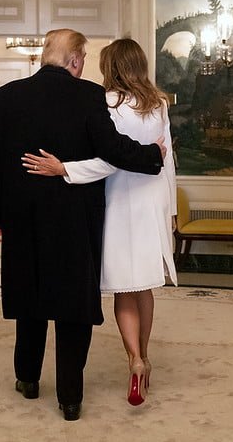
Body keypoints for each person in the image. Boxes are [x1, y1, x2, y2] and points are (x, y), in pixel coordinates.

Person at [0, 28, 166, 421]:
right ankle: (69, 398)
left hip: (23, 221)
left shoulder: (6, 96)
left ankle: (28, 379)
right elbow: (112, 151)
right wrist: (153, 154)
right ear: (76, 59)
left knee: (29, 302)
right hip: (73, 222)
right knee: (72, 310)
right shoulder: (88, 96)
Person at [22, 38, 177, 407]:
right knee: (145, 288)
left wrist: (65, 169)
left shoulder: (104, 102)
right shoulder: (159, 104)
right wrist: (170, 212)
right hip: (152, 202)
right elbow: (167, 161)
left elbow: (113, 159)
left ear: (111, 67)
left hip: (120, 202)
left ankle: (134, 359)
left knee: (125, 287)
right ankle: (145, 357)